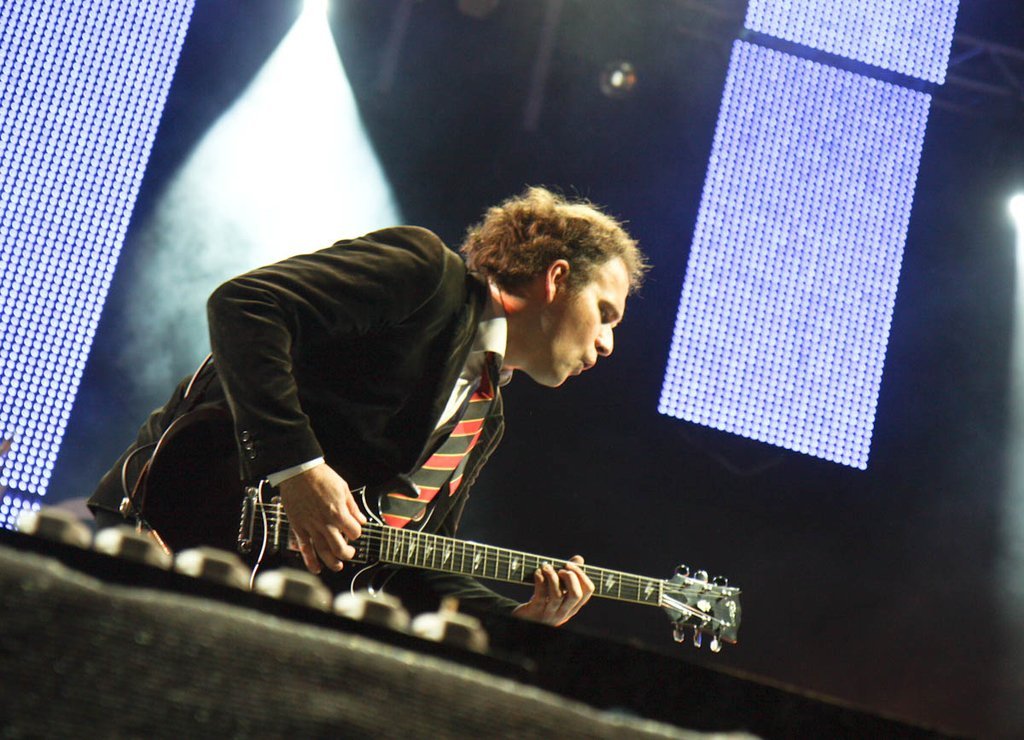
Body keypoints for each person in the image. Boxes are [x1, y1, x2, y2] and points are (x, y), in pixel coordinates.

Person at [88, 186, 647, 627]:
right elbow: (245, 306)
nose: (607, 344)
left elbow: (410, 562)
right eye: (605, 313)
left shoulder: (486, 416)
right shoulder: (428, 275)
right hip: (167, 517)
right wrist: (298, 470)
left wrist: (516, 619)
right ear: (556, 279)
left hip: (256, 599)